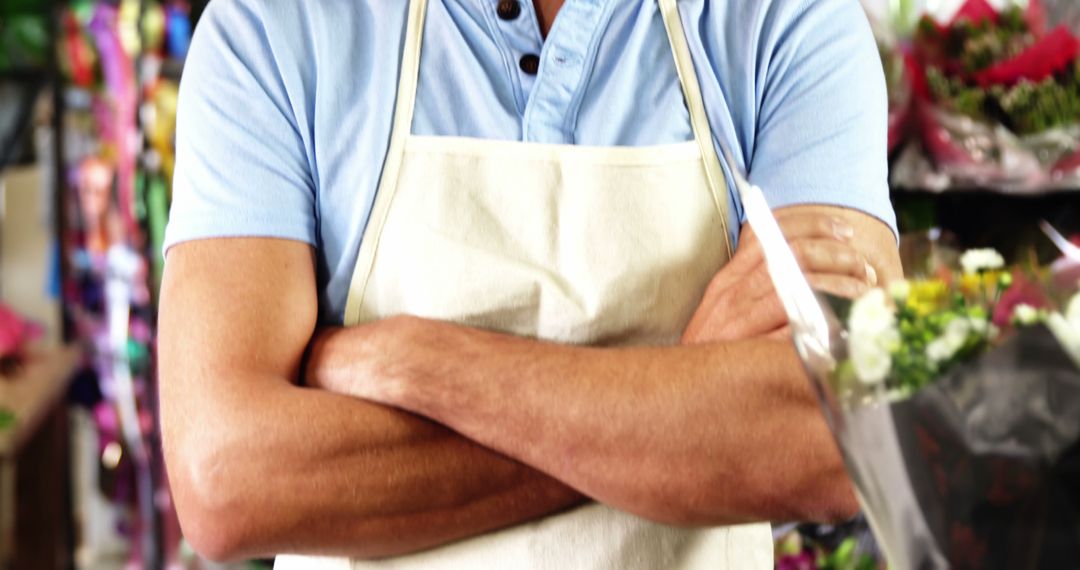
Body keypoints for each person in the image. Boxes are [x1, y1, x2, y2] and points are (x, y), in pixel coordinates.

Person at [158, 0, 903, 568]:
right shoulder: (275, 28)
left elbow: (837, 439)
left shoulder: (785, 22)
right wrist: (679, 390)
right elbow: (226, 477)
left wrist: (419, 365)